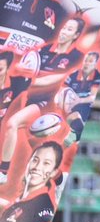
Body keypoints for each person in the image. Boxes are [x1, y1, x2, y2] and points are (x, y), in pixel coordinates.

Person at [0, 15, 85, 177]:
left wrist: (34, 79)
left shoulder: (76, 56)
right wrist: (20, 69)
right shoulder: (43, 50)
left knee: (12, 123)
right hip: (31, 100)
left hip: (48, 103)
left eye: (69, 29)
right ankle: (59, 178)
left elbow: (61, 78)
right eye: (63, 27)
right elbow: (22, 68)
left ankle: (3, 172)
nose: (63, 32)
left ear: (76, 35)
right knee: (38, 148)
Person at [0, 141, 63, 222]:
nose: (37, 167)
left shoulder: (43, 203)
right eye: (35, 160)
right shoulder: (17, 202)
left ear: (53, 172)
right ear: (28, 163)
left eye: (46, 163)